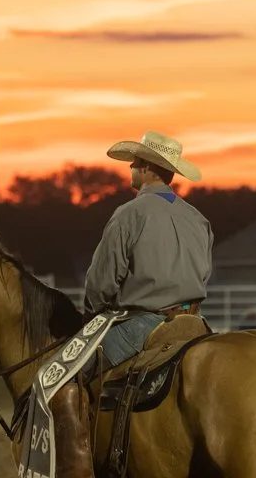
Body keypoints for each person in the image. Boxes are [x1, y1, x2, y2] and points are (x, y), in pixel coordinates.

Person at [48, 130, 214, 478]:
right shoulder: (198, 219)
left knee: (69, 373)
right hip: (194, 322)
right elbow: (205, 272)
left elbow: (102, 281)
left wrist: (94, 311)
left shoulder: (129, 214)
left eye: (136, 162)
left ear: (149, 169)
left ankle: (79, 464)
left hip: (144, 324)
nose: (131, 168)